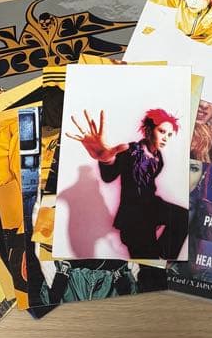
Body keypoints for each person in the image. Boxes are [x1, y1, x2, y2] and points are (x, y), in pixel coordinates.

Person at [66, 108, 187, 260]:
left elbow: (148, 185)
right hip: (133, 219)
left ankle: (164, 255)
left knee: (183, 217)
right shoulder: (130, 150)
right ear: (149, 130)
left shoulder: (158, 158)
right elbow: (109, 176)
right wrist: (106, 159)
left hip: (151, 209)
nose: (166, 138)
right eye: (162, 131)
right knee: (148, 263)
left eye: (169, 134)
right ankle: (154, 257)